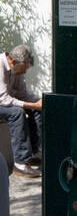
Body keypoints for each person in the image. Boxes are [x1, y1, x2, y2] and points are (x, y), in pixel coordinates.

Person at [0, 45, 42, 178]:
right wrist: (32, 105)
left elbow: (23, 94)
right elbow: (3, 99)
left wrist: (39, 101)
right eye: (24, 68)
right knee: (17, 113)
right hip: (2, 101)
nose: (24, 72)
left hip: (5, 103)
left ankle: (32, 154)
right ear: (13, 62)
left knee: (37, 111)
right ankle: (20, 163)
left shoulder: (16, 69)